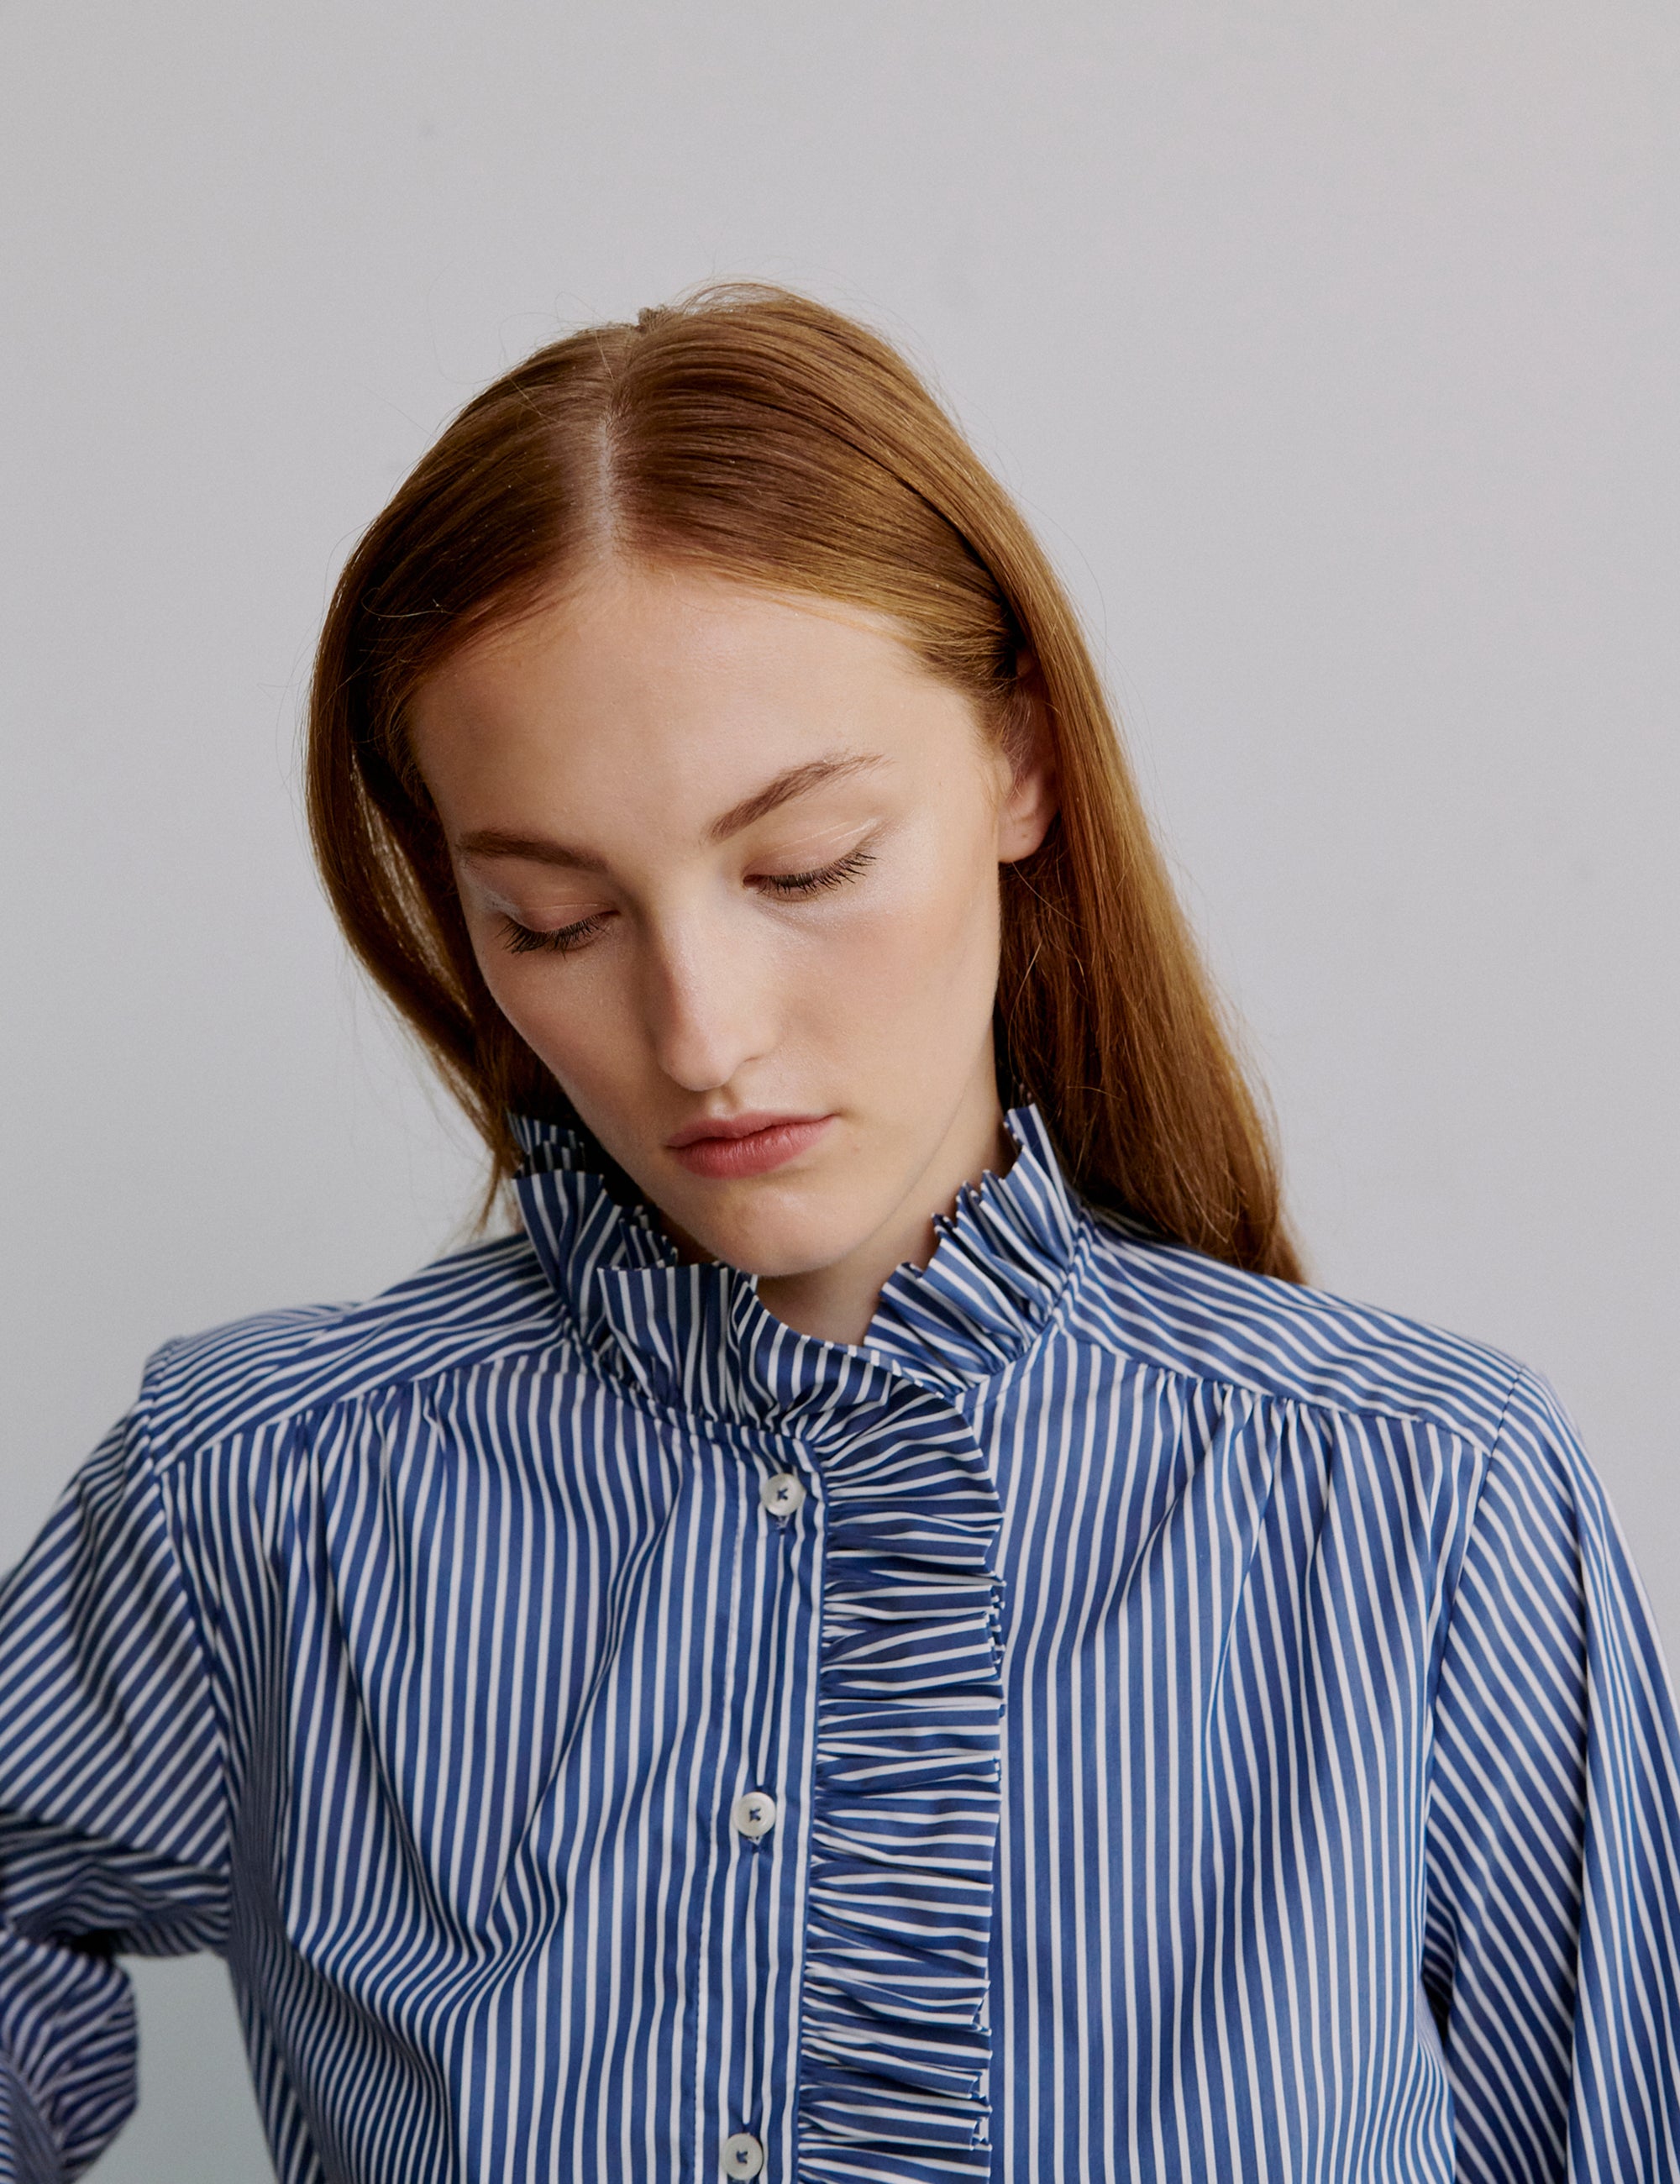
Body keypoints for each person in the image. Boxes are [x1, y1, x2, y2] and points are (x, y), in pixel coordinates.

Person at [2, 281, 1677, 2184]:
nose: (704, 1039)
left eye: (804, 866)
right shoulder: (264, 1485)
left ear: (1019, 765)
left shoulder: (1427, 1500)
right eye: (554, 917)